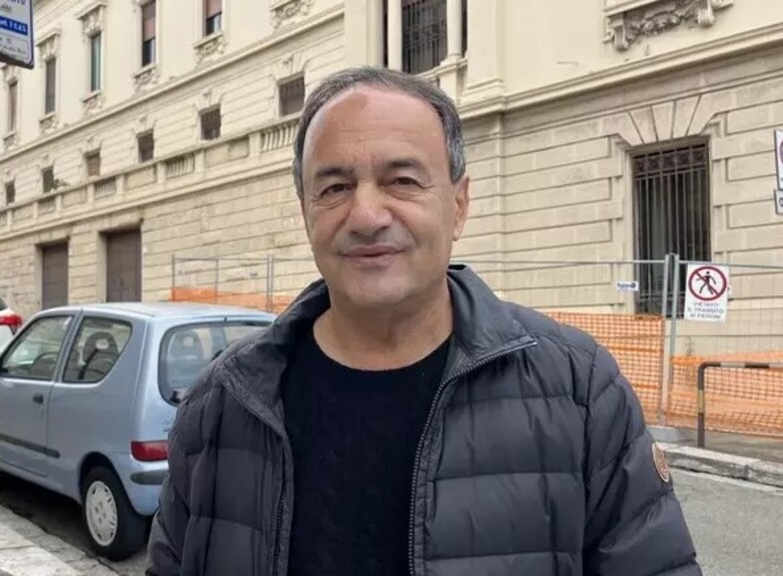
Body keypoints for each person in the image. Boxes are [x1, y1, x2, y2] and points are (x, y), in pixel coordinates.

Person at [146, 66, 701, 576]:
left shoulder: (581, 392)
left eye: (403, 181)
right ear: (306, 212)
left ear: (458, 205)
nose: (366, 216)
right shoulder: (221, 405)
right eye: (335, 188)